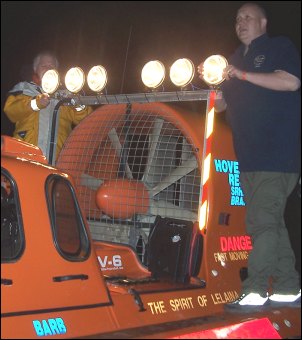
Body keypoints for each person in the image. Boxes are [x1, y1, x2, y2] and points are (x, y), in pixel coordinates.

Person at [198, 2, 301, 312]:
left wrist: (241, 74)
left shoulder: (278, 47)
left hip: (277, 153)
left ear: (263, 22)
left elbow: (292, 81)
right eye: (237, 18)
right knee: (272, 223)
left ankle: (255, 289)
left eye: (247, 17)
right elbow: (223, 105)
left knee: (260, 221)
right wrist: (214, 84)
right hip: (250, 155)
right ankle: (288, 288)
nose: (240, 22)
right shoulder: (232, 59)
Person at [4, 50, 93, 163]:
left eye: (51, 65)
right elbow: (11, 111)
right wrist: (36, 104)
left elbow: (87, 120)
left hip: (58, 161)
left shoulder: (67, 93)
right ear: (35, 69)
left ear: (57, 70)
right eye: (43, 65)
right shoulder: (24, 88)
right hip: (25, 158)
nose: (47, 68)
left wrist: (77, 103)